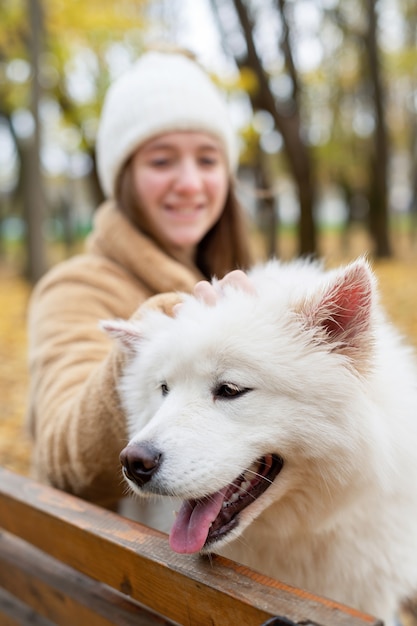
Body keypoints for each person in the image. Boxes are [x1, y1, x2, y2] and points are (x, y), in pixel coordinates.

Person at [26, 48, 253, 517]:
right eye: (162, 161)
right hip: (121, 578)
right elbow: (61, 456)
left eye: (208, 160)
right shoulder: (75, 287)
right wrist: (164, 332)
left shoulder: (250, 283)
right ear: (124, 176)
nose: (190, 183)